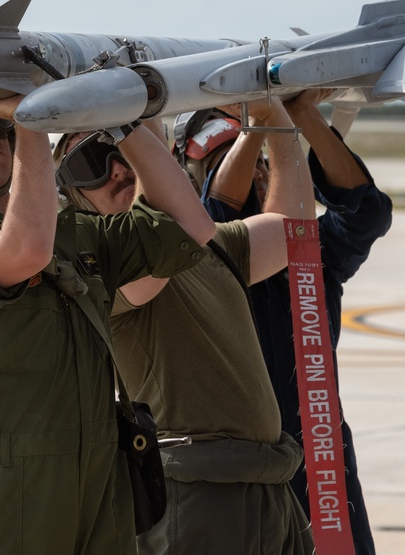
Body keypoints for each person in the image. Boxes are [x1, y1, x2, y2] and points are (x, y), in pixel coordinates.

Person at [0, 96, 215, 555]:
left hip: (95, 490)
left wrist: (127, 119)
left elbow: (190, 225)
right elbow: (25, 251)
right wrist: (34, 120)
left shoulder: (76, 236)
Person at [54, 99, 316, 554]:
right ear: (69, 191)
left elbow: (296, 231)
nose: (118, 168)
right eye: (92, 161)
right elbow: (163, 238)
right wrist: (138, 131)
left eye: (124, 148)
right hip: (195, 487)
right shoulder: (95, 271)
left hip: (266, 481)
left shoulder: (211, 245)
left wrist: (276, 121)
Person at [177, 90, 393, 555]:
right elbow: (218, 218)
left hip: (320, 461)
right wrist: (262, 125)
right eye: (233, 157)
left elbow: (366, 213)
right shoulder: (195, 259)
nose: (253, 169)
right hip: (235, 471)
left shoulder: (314, 253)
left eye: (260, 160)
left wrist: (300, 115)